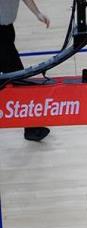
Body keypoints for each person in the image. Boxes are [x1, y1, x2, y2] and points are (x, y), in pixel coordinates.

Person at [0, 0, 51, 141]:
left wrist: (37, 13)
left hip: (7, 30)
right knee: (19, 80)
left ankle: (32, 127)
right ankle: (32, 128)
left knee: (13, 79)